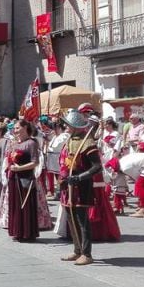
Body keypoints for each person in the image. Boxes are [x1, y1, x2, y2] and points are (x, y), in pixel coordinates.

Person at [58, 111, 101, 266]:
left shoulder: (88, 143)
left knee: (82, 221)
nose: (65, 126)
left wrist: (79, 177)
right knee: (71, 219)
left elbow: (97, 167)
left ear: (75, 126)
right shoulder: (69, 139)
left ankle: (86, 253)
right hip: (67, 186)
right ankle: (77, 250)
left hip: (81, 186)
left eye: (68, 124)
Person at [5, 119, 40, 242]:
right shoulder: (16, 143)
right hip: (14, 179)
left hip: (26, 179)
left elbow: (35, 162)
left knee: (26, 206)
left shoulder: (31, 143)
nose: (15, 130)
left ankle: (27, 233)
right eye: (14, 128)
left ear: (25, 128)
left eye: (17, 128)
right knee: (16, 206)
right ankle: (17, 231)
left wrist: (20, 168)